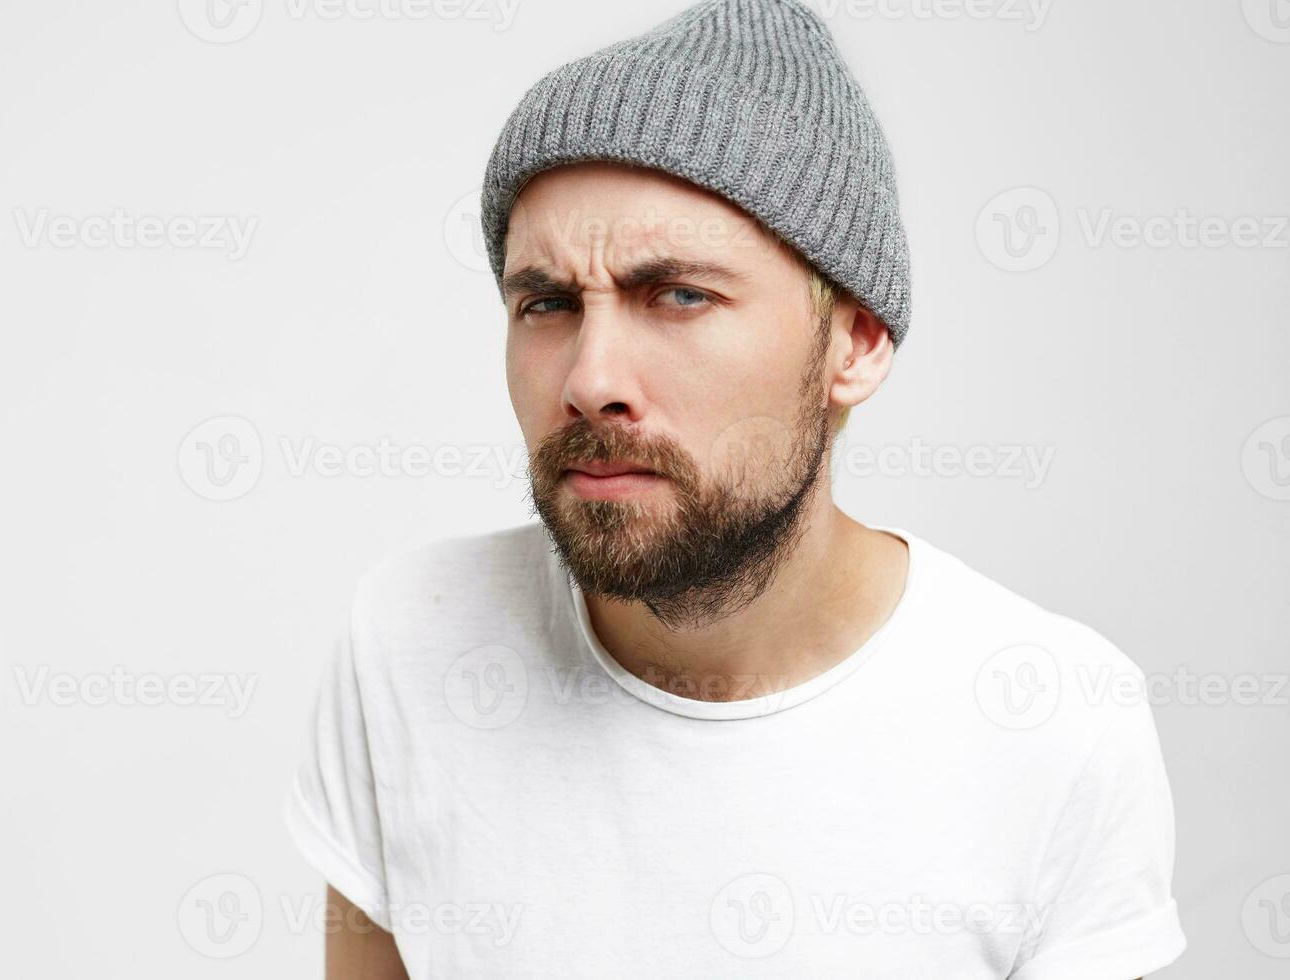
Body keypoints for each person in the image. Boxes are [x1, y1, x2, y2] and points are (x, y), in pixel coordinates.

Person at [284, 1, 1186, 976]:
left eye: (677, 294)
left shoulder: (1054, 724)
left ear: (856, 339)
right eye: (544, 302)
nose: (590, 380)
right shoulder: (409, 641)